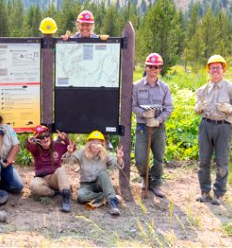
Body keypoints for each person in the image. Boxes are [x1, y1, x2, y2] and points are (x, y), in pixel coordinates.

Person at [194, 55, 232, 205]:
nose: (215, 70)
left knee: (222, 161)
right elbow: (197, 110)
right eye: (212, 68)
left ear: (223, 70)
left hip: (223, 127)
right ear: (208, 70)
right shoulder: (203, 90)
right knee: (203, 160)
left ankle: (219, 193)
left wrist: (230, 109)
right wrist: (198, 108)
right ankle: (204, 191)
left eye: (218, 67)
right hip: (206, 126)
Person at [132, 53, 173, 198]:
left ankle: (155, 183)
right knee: (140, 159)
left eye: (156, 67)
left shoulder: (164, 87)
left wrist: (157, 120)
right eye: (150, 66)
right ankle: (145, 177)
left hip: (158, 128)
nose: (153, 69)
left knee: (159, 158)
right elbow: (132, 105)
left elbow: (168, 108)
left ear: (160, 68)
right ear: (146, 67)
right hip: (142, 128)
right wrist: (144, 114)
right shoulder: (136, 86)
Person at [63, 130, 123, 216]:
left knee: (104, 174)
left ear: (102, 144)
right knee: (81, 196)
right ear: (89, 144)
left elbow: (116, 166)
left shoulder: (105, 154)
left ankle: (113, 204)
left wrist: (119, 158)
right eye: (93, 142)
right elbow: (67, 162)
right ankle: (108, 196)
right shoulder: (81, 153)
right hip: (86, 185)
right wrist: (69, 152)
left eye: (99, 142)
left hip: (100, 183)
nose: (96, 144)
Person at [25, 125, 74, 212]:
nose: (45, 138)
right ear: (37, 140)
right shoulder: (36, 149)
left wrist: (65, 139)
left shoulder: (58, 146)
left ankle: (66, 197)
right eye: (41, 137)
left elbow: (71, 146)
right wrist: (31, 141)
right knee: (34, 186)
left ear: (50, 136)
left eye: (46, 135)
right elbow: (29, 147)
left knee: (61, 170)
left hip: (54, 177)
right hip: (41, 178)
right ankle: (54, 193)